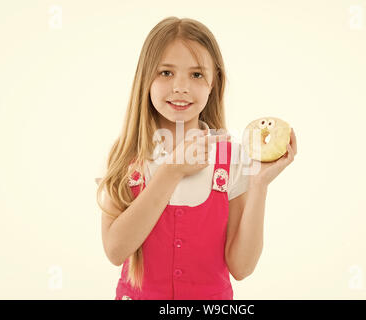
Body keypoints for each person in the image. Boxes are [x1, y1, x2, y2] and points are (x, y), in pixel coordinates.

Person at [95, 16, 297, 300]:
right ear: (145, 78)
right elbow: (115, 250)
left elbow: (242, 267)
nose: (181, 87)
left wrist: (259, 185)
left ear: (214, 82)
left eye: (196, 74)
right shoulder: (125, 155)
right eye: (166, 73)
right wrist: (172, 170)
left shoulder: (231, 156)